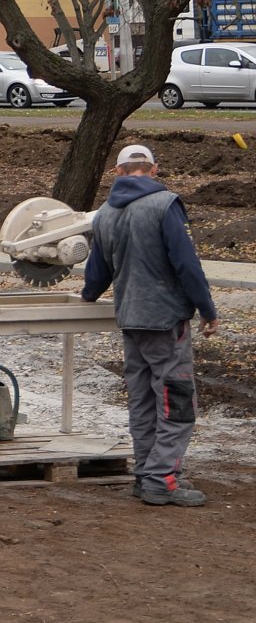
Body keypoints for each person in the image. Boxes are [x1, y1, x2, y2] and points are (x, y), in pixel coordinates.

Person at [80, 143, 218, 507]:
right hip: (165, 318)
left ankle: (145, 475)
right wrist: (207, 308)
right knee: (176, 401)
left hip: (130, 319)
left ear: (118, 172)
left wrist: (88, 297)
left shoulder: (105, 215)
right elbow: (186, 264)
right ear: (154, 170)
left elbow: (97, 272)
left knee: (141, 401)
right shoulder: (165, 205)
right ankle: (163, 479)